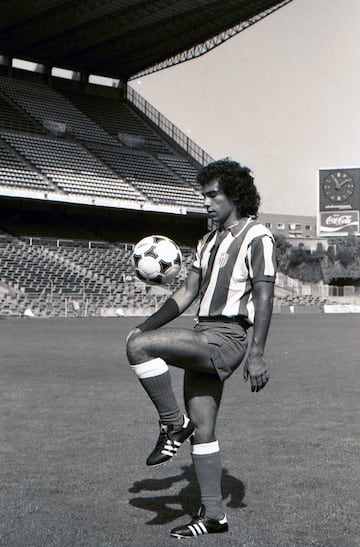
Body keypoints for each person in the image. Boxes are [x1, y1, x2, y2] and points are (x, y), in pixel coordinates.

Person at [126, 159, 276, 538]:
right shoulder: (207, 241)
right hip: (202, 334)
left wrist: (257, 352)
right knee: (204, 430)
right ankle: (214, 516)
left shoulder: (258, 236)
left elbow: (264, 293)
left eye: (213, 195)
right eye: (203, 195)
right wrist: (143, 325)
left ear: (235, 196)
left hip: (227, 338)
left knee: (141, 348)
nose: (206, 202)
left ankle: (172, 424)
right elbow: (186, 292)